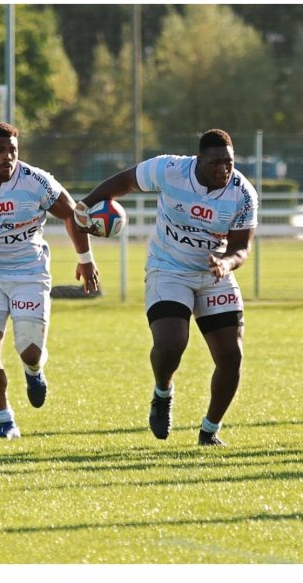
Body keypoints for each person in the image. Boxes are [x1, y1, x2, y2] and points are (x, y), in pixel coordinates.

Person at [75, 129, 257, 446]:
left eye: (228, 163)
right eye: (216, 163)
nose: (223, 170)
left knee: (231, 355)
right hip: (168, 268)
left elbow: (242, 247)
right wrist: (88, 204)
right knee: (172, 343)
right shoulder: (170, 170)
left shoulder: (242, 193)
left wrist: (227, 264)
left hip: (214, 273)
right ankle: (163, 392)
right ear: (199, 160)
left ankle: (210, 431)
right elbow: (126, 181)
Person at [0, 122, 98, 440]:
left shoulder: (36, 181)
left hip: (30, 273)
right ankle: (5, 422)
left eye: (12, 150)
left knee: (29, 351)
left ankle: (34, 370)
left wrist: (85, 260)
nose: (7, 157)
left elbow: (71, 215)